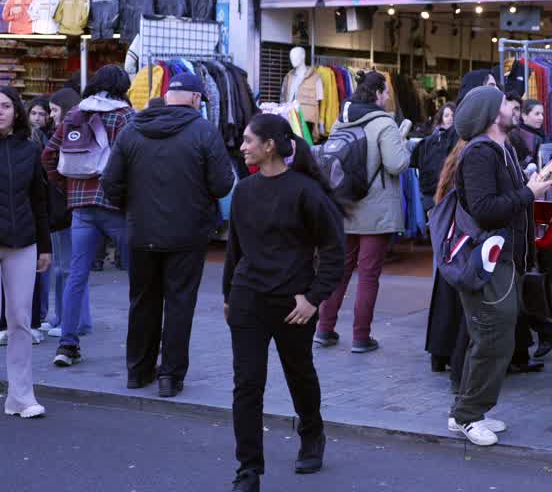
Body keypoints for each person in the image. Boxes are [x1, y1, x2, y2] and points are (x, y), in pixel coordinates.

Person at [224, 114, 345, 492]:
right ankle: (248, 470)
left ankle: (312, 433)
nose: (242, 147)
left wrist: (314, 299)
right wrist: (229, 294)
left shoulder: (306, 192)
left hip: (294, 305)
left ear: (269, 145)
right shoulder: (243, 190)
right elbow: (235, 248)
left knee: (299, 374)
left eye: (248, 140)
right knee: (247, 384)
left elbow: (334, 251)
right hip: (248, 300)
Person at [102, 72, 235, 397]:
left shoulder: (133, 130)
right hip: (188, 233)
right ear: (193, 98)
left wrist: (131, 207)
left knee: (143, 300)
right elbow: (222, 184)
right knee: (179, 303)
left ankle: (137, 371)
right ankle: (170, 377)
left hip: (142, 231)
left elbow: (110, 182)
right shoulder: (203, 131)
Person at [436, 85, 552, 446]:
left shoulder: (501, 149)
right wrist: (528, 193)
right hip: (490, 261)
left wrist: (531, 187)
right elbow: (486, 209)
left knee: (489, 339)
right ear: (491, 114)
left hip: (502, 259)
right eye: (504, 103)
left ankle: (466, 411)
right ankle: (469, 416)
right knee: (492, 340)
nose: (512, 107)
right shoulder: (481, 154)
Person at [43, 65, 135, 368]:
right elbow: (133, 161)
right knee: (139, 277)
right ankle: (142, 344)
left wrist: (68, 186)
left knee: (75, 276)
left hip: (80, 207)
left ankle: (67, 345)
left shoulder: (74, 114)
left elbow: (48, 156)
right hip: (117, 208)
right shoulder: (124, 116)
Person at [314, 71, 410, 354]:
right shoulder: (384, 124)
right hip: (376, 211)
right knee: (368, 276)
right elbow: (396, 165)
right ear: (377, 93)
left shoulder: (339, 121)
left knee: (338, 272)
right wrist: (403, 146)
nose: (389, 97)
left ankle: (324, 329)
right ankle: (360, 337)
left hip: (343, 206)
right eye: (386, 92)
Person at [424, 70, 497, 374]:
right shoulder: (470, 135)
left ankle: (443, 353)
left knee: (451, 292)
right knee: (459, 294)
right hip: (463, 230)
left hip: (457, 228)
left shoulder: (470, 132)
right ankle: (454, 361)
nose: (498, 92)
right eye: (491, 87)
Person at [0, 86, 53, 419]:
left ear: (16, 111)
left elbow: (39, 201)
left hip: (23, 242)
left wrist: (45, 247)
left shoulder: (29, 150)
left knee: (21, 320)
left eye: (5, 105)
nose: (0, 111)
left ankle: (20, 396)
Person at [44, 87, 89, 339]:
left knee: (70, 267)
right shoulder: (63, 132)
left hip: (69, 207)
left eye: (53, 110)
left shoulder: (72, 133)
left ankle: (75, 320)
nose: (51, 115)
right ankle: (63, 315)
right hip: (62, 207)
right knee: (64, 267)